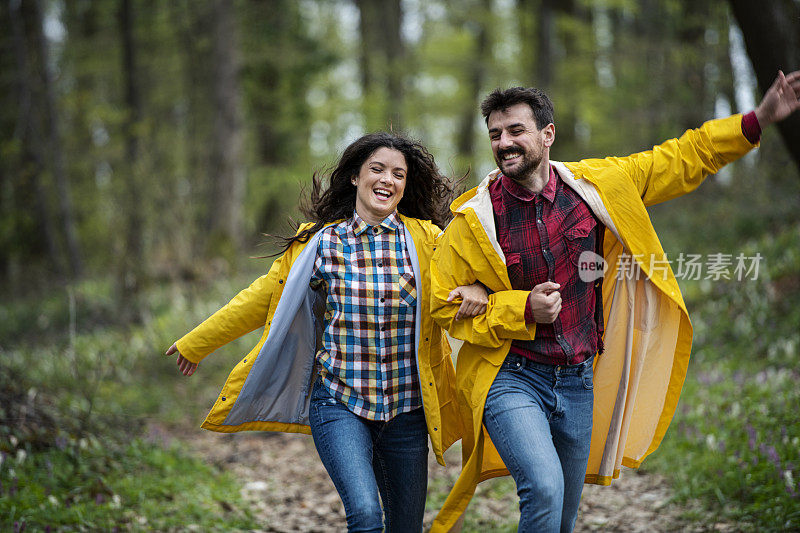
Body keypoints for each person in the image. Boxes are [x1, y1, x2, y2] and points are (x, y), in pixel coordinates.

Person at [428, 70, 800, 532]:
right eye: (496, 134)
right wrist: (519, 308)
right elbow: (442, 305)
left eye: (516, 130)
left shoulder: (600, 187)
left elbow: (684, 156)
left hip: (578, 380)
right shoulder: (474, 218)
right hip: (511, 377)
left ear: (548, 135)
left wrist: (758, 119)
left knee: (561, 513)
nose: (504, 142)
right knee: (543, 488)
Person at [166, 131, 489, 532]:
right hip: (340, 401)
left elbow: (476, 271)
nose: (387, 179)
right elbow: (260, 298)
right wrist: (197, 342)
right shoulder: (319, 244)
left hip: (408, 411)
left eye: (398, 174)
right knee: (366, 516)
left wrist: (478, 287)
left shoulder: (428, 241)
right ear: (356, 176)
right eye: (377, 169)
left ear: (406, 186)